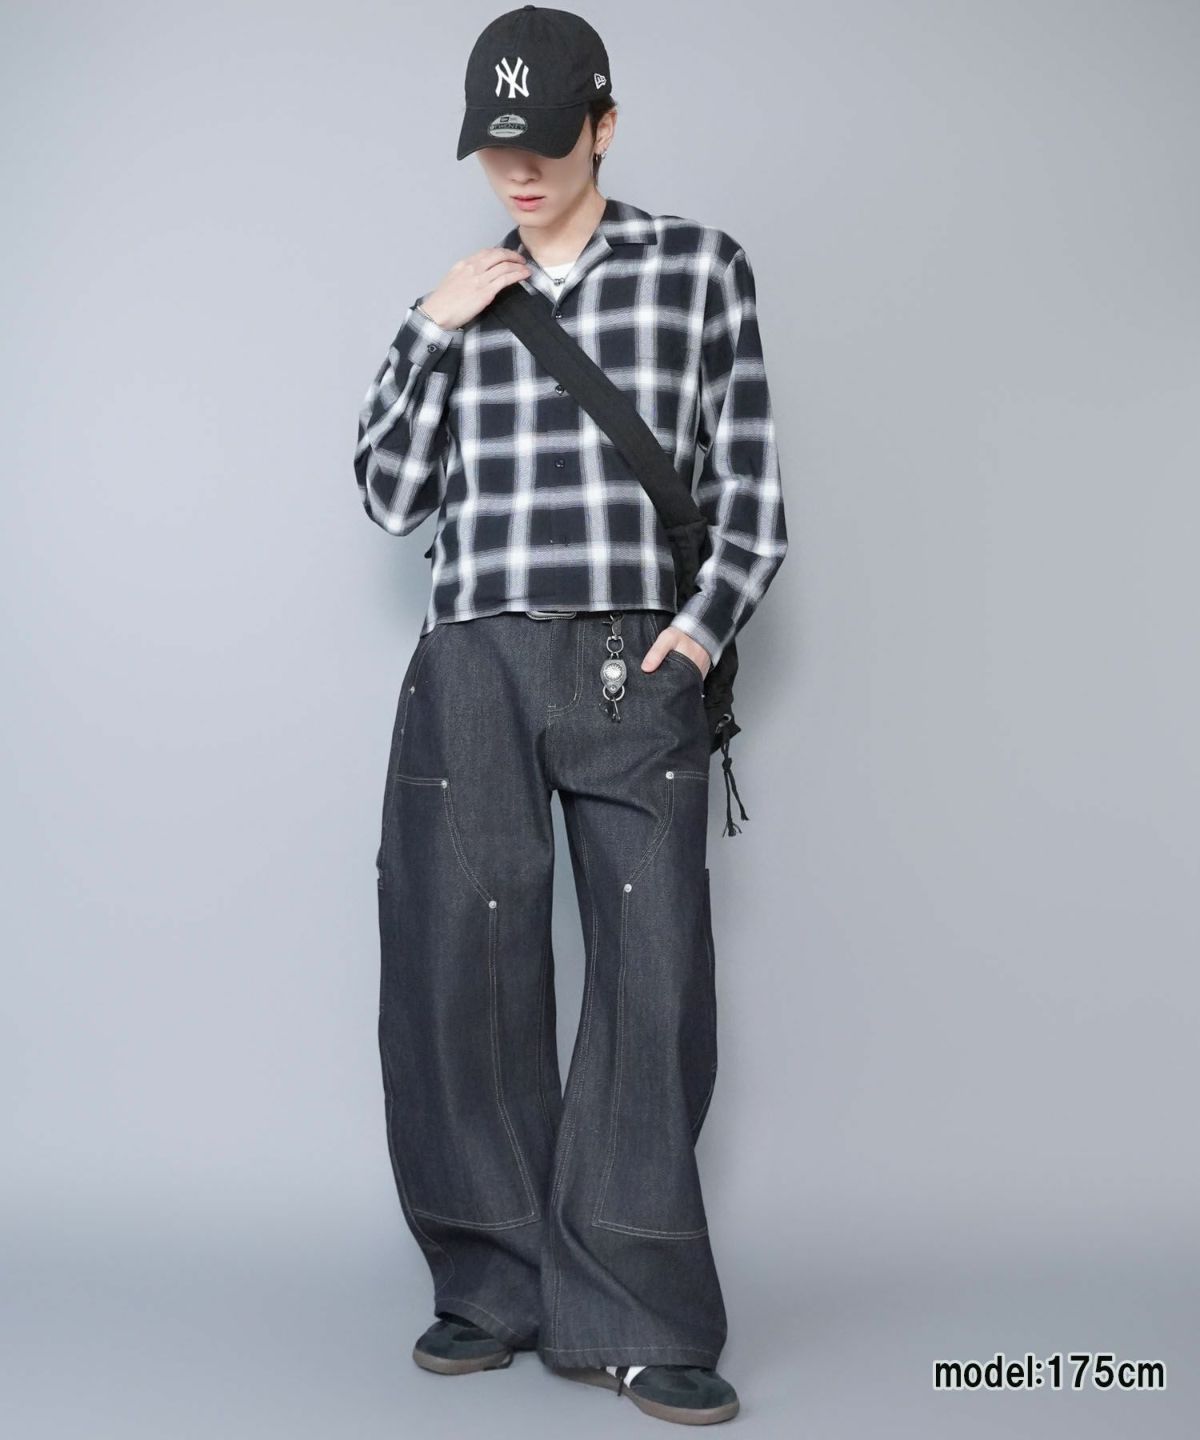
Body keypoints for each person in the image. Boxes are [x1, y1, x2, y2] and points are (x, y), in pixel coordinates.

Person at [353, 5, 787, 1426]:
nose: (519, 170)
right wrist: (429, 328)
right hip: (474, 659)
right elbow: (388, 499)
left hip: (629, 663)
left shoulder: (699, 268)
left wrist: (695, 636)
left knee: (652, 980)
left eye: (545, 140)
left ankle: (640, 1313)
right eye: (495, 147)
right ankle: (494, 1288)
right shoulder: (460, 298)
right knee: (459, 974)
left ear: (604, 125)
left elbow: (750, 496)